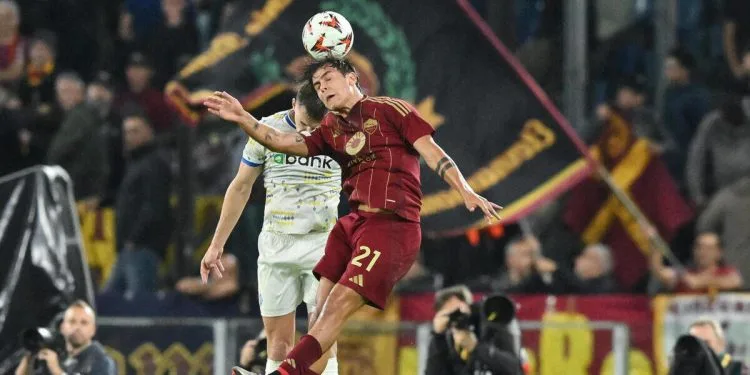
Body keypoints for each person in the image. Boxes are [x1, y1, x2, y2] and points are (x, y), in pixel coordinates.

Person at [203, 57, 502, 375]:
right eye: (317, 85)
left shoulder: (391, 110)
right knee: (321, 317)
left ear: (352, 78)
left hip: (391, 226)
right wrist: (243, 118)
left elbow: (432, 151)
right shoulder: (331, 129)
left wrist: (465, 189)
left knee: (334, 307)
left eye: (328, 78)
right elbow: (280, 141)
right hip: (351, 227)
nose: (323, 88)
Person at [202, 82, 340, 375]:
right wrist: (216, 245)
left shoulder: (343, 130)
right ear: (293, 104)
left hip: (324, 245)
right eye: (303, 124)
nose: (306, 135)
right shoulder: (267, 129)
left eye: (314, 127)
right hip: (276, 246)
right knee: (277, 345)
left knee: (321, 339)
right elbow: (241, 187)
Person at [15, 301, 115, 375]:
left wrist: (57, 371)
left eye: (84, 323)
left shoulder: (101, 361)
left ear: (93, 329)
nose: (77, 327)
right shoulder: (57, 357)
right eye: (72, 321)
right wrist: (30, 357)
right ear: (62, 327)